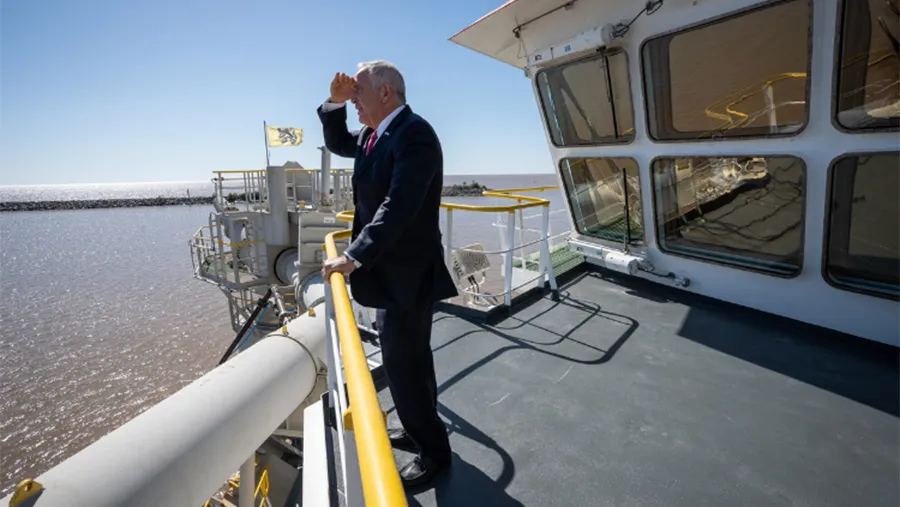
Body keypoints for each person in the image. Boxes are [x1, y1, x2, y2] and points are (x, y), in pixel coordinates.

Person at [319, 60, 458, 487]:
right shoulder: (372, 135)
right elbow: (338, 141)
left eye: (358, 92)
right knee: (413, 360)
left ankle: (434, 454)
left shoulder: (415, 133)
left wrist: (353, 256)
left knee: (404, 364)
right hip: (390, 273)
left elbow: (399, 205)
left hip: (409, 275)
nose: (354, 101)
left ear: (386, 93)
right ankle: (419, 429)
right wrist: (334, 103)